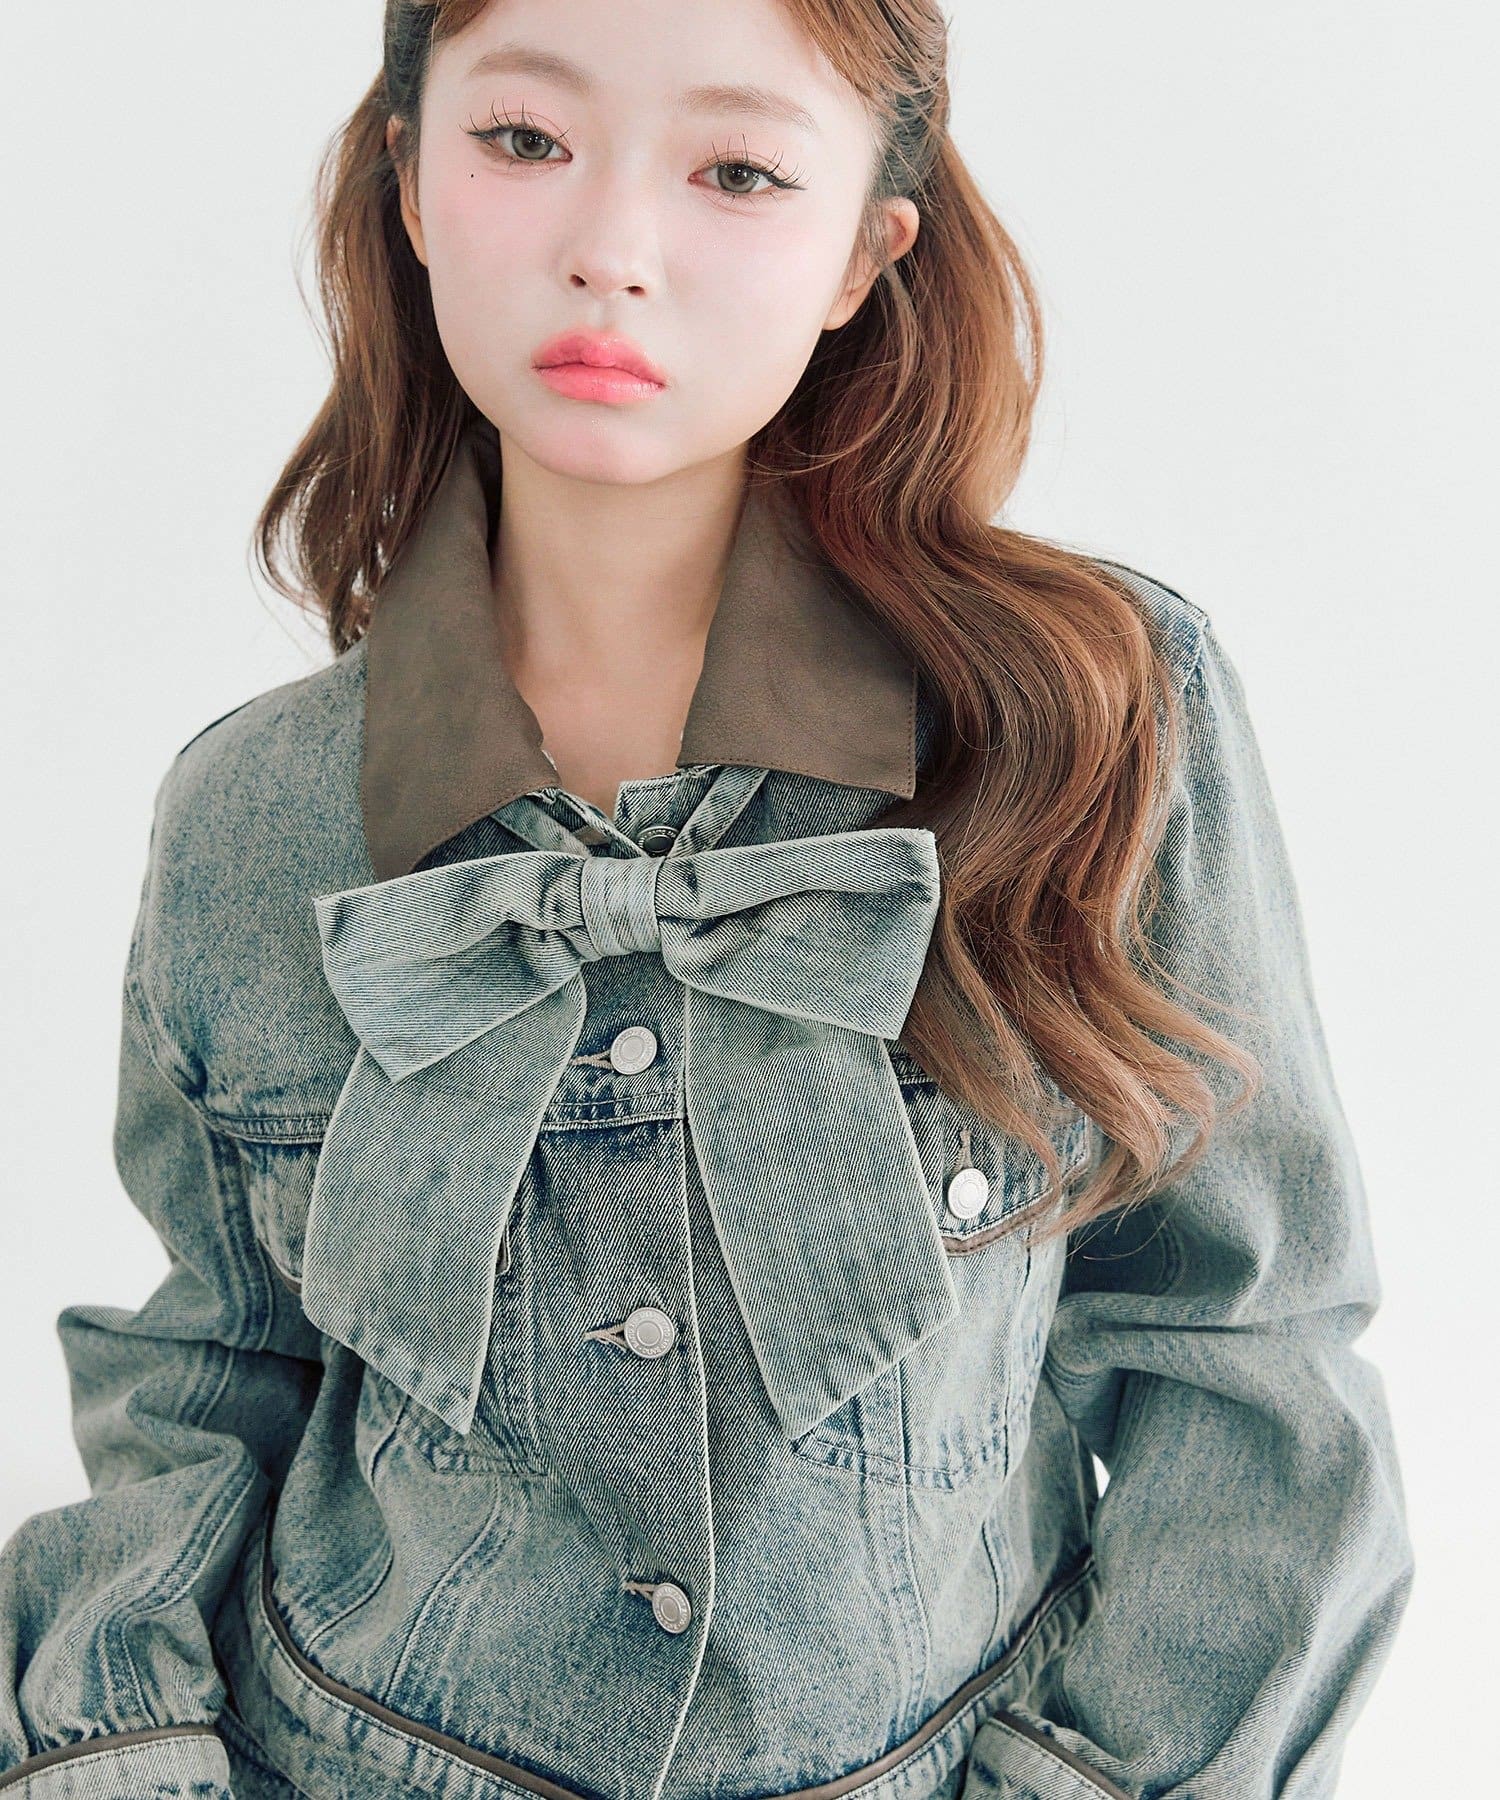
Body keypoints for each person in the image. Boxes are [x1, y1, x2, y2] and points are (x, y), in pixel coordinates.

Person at [0, 2, 1414, 1797]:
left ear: (866, 250)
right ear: (410, 180)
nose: (612, 248)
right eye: (525, 140)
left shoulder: (1090, 720)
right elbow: (209, 1371)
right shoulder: (248, 816)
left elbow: (1244, 1356)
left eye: (737, 170)